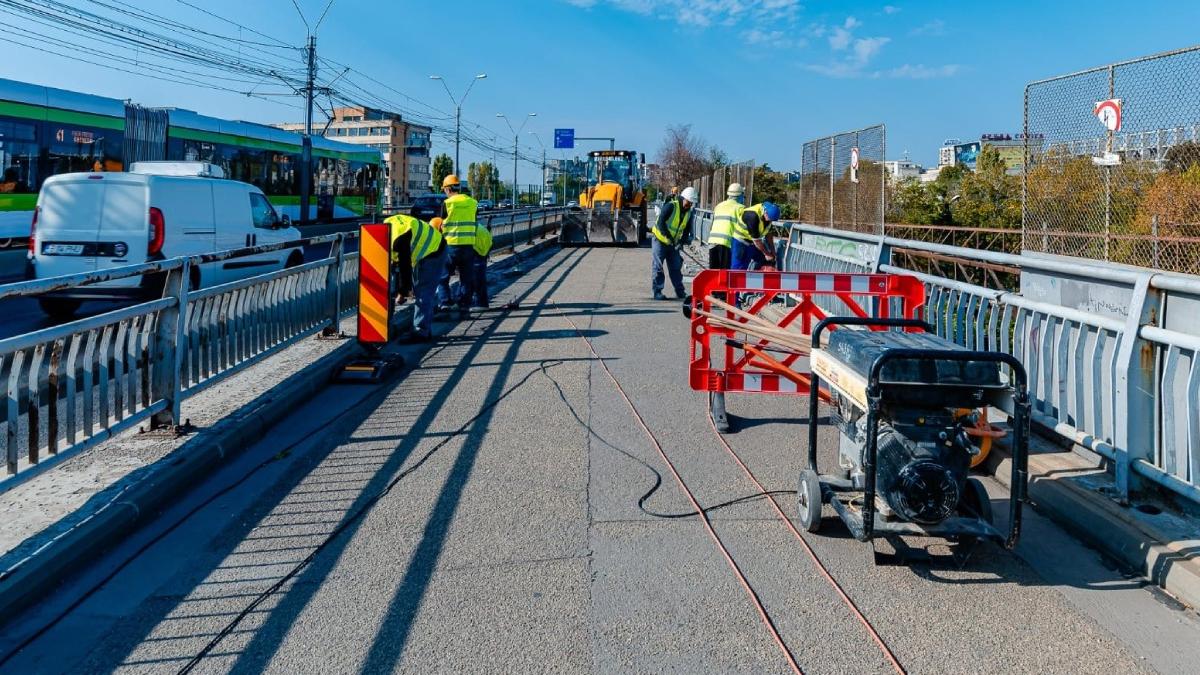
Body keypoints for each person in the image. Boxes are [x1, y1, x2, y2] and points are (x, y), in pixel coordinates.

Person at [387, 211, 447, 343]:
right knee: (420, 289)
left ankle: (421, 332)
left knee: (423, 292)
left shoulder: (398, 241)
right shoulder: (388, 228)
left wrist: (403, 292)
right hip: (425, 249)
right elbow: (397, 266)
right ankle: (422, 327)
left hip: (434, 251)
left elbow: (405, 267)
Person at [440, 174, 480, 318]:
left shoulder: (447, 203)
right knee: (466, 278)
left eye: (444, 189)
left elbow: (441, 224)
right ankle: (464, 306)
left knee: (443, 277)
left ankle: (445, 304)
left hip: (451, 246)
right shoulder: (472, 202)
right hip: (468, 245)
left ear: (448, 189)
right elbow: (475, 221)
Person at [650, 185, 697, 300]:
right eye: (688, 202)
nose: (689, 205)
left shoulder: (688, 213)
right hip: (660, 240)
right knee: (658, 266)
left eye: (691, 203)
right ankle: (657, 291)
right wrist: (669, 238)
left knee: (676, 267)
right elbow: (661, 222)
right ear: (683, 198)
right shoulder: (671, 206)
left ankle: (680, 291)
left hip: (673, 244)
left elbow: (686, 231)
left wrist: (681, 242)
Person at [731, 201, 781, 271]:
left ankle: (757, 278)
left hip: (753, 243)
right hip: (741, 243)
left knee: (766, 261)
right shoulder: (752, 215)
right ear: (765, 213)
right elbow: (757, 241)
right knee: (739, 268)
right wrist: (766, 254)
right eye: (770, 219)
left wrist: (773, 251)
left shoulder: (768, 214)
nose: (770, 221)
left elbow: (768, 235)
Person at [708, 182, 744, 270]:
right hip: (726, 243)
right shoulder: (740, 208)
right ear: (740, 195)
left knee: (713, 272)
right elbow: (743, 230)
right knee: (724, 272)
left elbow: (711, 224)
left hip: (713, 241)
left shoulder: (719, 206)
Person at [471, 219, 493, 308]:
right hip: (483, 251)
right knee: (479, 279)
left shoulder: (470, 228)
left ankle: (479, 304)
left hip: (476, 252)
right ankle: (482, 303)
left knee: (475, 280)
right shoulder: (479, 227)